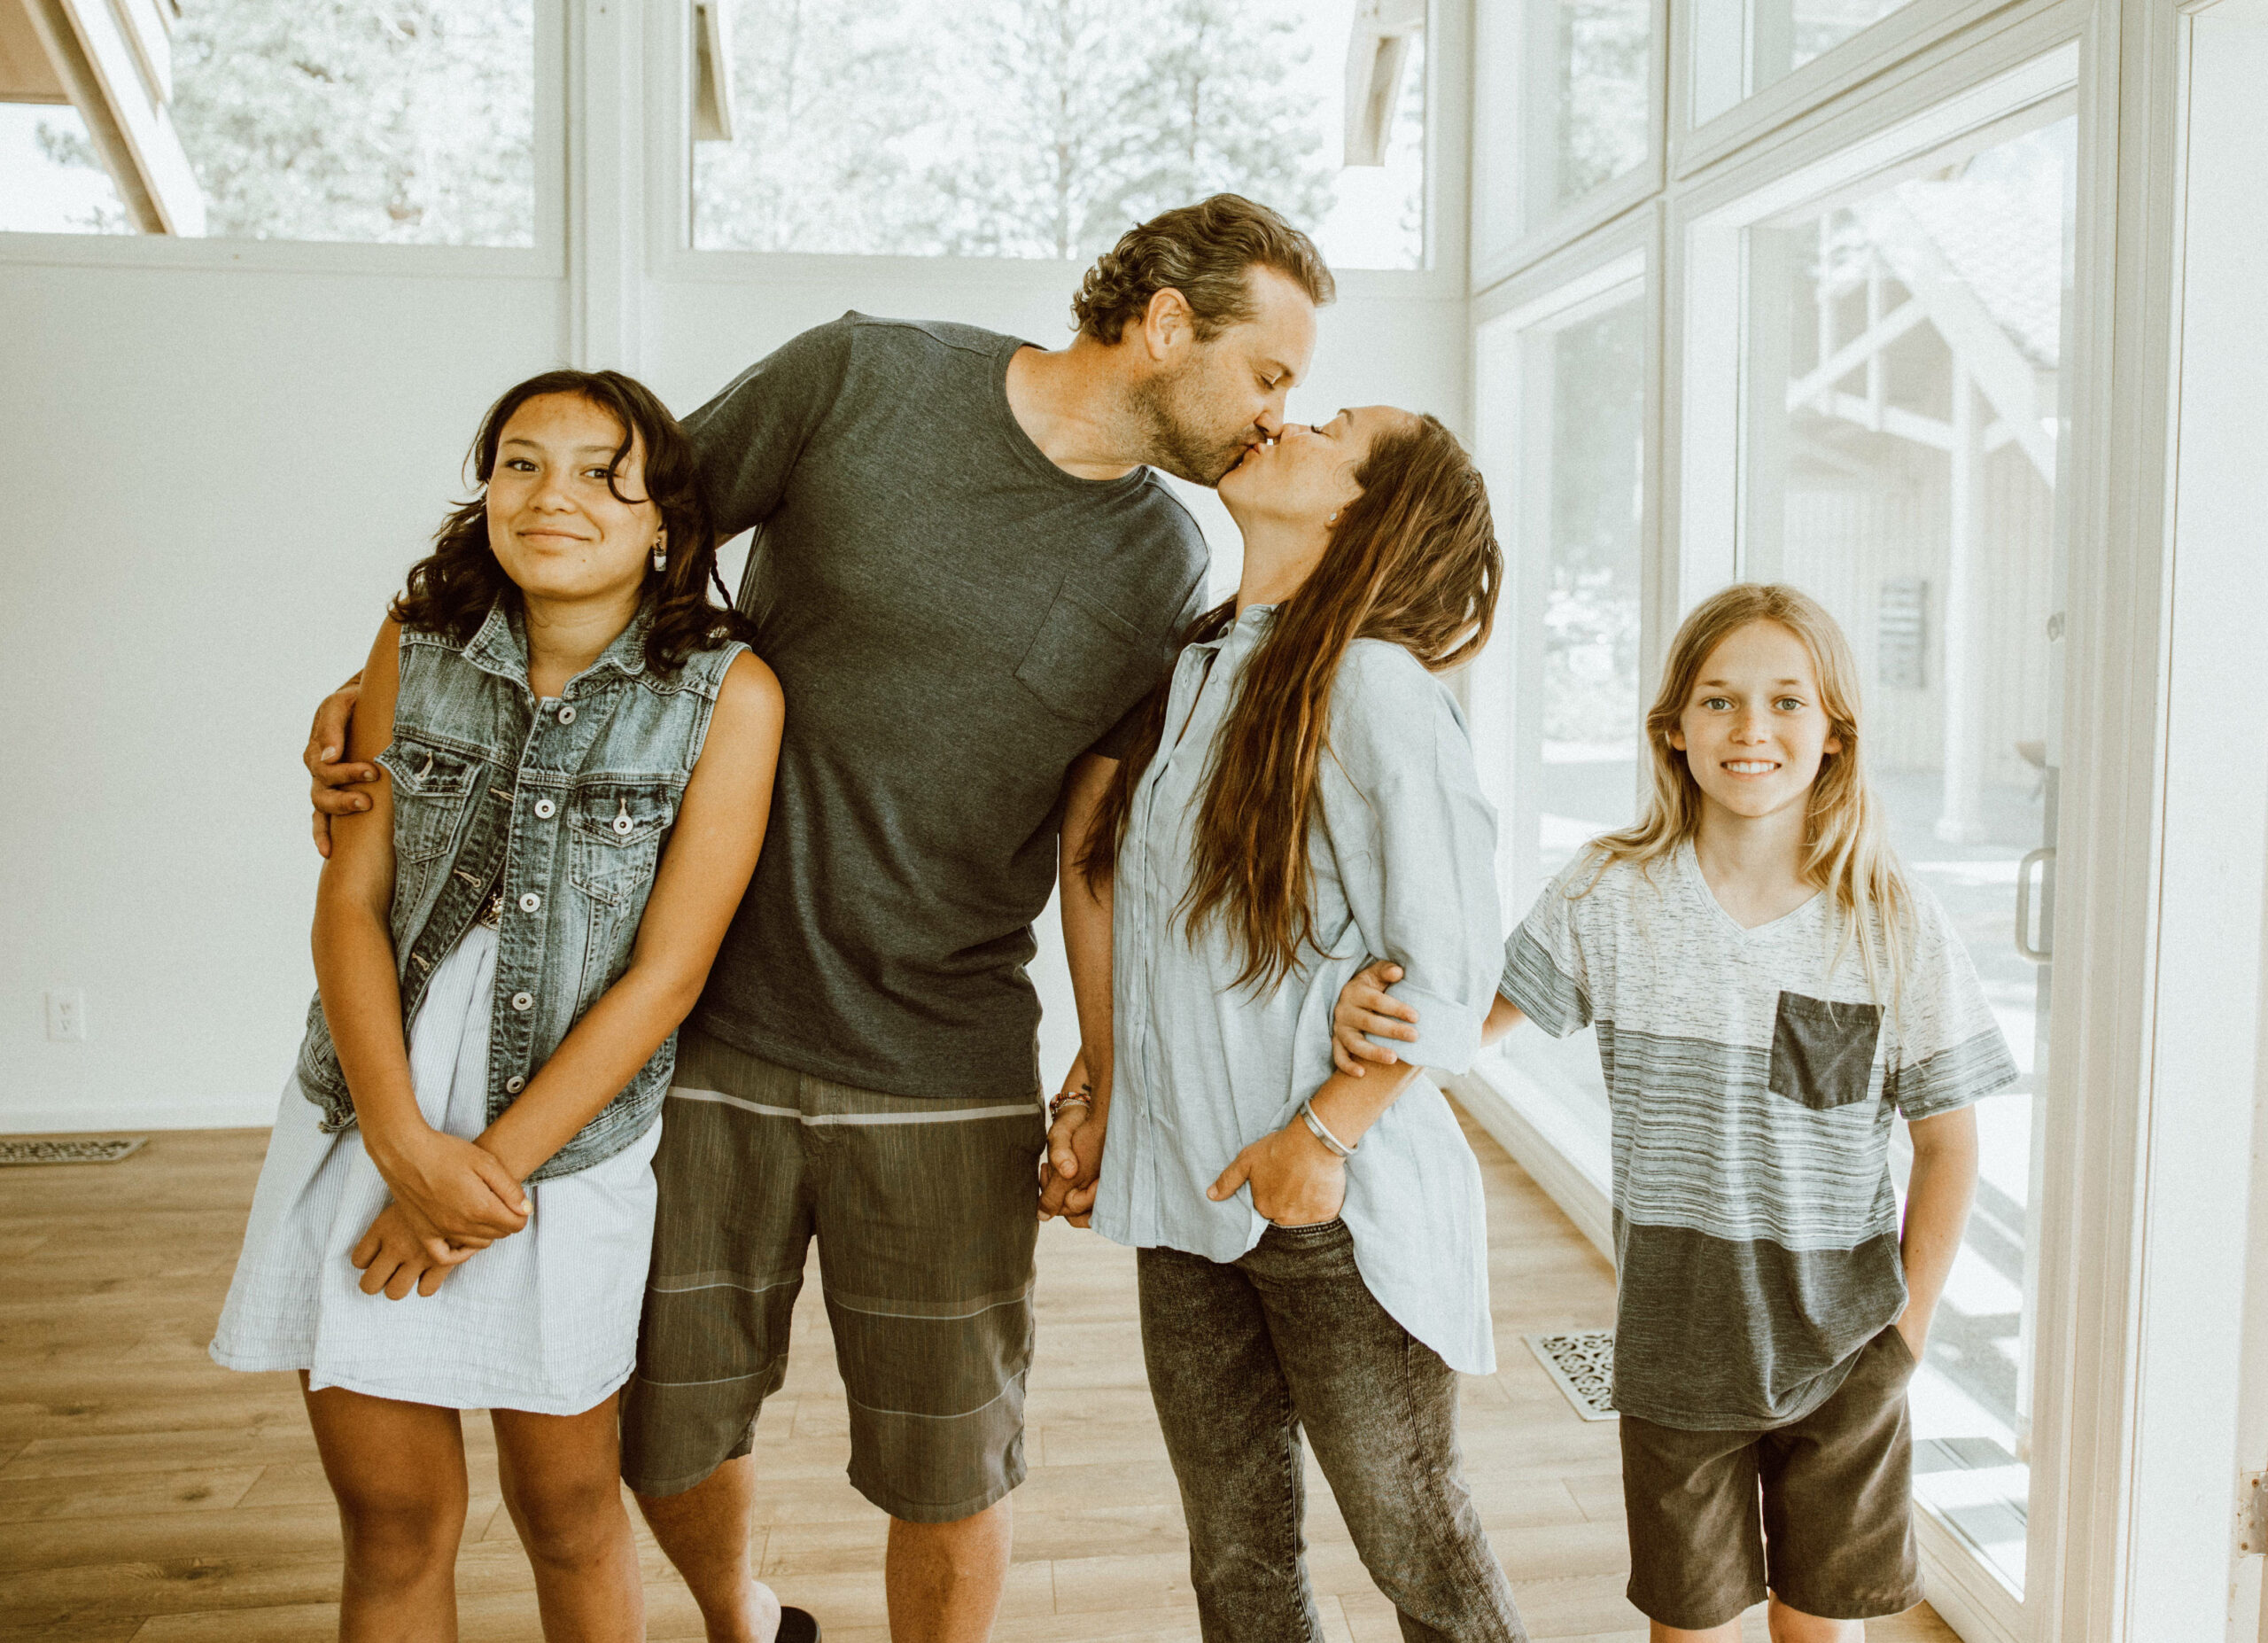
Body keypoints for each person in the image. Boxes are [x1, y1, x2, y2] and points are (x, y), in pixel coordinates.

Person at [301, 195, 1337, 1643]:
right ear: (1169, 325)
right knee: (661, 1426)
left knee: (952, 1462)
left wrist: (1099, 1068)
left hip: (947, 1061)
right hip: (704, 1024)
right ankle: (744, 1618)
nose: (1281, 412)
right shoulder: (863, 377)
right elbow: (613, 535)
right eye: (1271, 372)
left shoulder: (1171, 563)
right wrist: (394, 703)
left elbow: (1093, 842)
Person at [214, 370, 788, 1640]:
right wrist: (405, 1147)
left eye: (601, 472)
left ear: (664, 525)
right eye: (520, 463)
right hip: (366, 1112)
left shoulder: (727, 697)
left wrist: (477, 1179)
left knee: (571, 1508)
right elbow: (349, 903)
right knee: (394, 1517)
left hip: (561, 1152)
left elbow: (668, 973)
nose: (552, 496)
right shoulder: (410, 649)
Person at [1332, 582, 2011, 1643]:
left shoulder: (1890, 921)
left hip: (1845, 1352)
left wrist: (1906, 1332)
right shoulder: (1607, 892)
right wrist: (1382, 1019)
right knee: (1687, 1624)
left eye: (1788, 702)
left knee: (1816, 1625)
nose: (1752, 729)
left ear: (1833, 735)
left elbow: (1949, 1142)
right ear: (1673, 731)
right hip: (1673, 1348)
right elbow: (1472, 1031)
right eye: (1719, 700)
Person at [1054, 406, 1529, 1643]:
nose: (1287, 417)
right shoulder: (1207, 662)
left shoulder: (1374, 686)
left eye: (1334, 427)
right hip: (1191, 1199)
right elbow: (1163, 932)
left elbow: (1451, 959)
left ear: (1365, 513)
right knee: (1238, 1555)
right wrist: (1102, 1092)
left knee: (1417, 1544)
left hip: (1332, 1206)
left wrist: (1321, 1131)